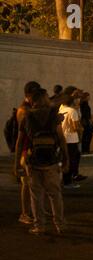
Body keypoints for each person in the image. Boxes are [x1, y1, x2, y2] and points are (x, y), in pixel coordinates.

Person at [14, 88, 69, 235]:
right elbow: (61, 139)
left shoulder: (27, 117)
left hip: (34, 161)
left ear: (32, 100)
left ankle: (40, 226)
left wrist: (16, 165)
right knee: (55, 194)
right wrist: (66, 159)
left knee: (36, 196)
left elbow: (20, 142)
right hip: (51, 160)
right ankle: (60, 224)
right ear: (45, 99)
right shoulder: (54, 116)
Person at [15, 81, 41, 225]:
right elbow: (21, 138)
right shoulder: (24, 110)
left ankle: (32, 211)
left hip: (32, 150)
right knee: (27, 184)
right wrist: (16, 163)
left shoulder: (30, 107)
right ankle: (25, 213)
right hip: (27, 151)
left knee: (34, 184)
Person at [59, 86, 87, 188]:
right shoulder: (72, 111)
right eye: (76, 98)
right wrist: (81, 129)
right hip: (72, 139)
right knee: (71, 160)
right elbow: (76, 127)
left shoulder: (61, 108)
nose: (78, 99)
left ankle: (66, 180)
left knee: (66, 160)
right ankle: (67, 182)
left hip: (63, 137)